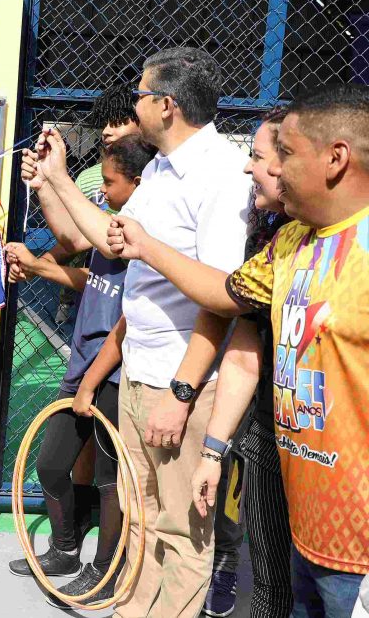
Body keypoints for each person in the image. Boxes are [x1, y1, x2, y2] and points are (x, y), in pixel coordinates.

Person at [108, 83, 369, 617]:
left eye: (285, 154)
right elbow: (226, 300)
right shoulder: (292, 241)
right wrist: (213, 451)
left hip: (358, 547)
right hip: (305, 522)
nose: (263, 170)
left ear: (336, 159)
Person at [23, 47, 252, 618]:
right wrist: (55, 178)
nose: (134, 104)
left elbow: (223, 295)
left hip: (178, 387)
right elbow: (111, 240)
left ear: (167, 105)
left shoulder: (220, 174)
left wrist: (181, 394)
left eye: (141, 95)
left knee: (182, 533)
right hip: (137, 378)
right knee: (140, 515)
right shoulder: (158, 169)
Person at [105, 107, 294, 618]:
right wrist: (214, 450)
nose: (247, 168)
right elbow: (238, 322)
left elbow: (219, 301)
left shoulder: (347, 246)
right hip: (256, 427)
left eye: (260, 156)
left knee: (194, 535)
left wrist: (184, 392)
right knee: (276, 583)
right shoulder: (280, 242)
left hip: (330, 467)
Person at [6, 134, 156, 608]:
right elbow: (84, 266)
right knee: (51, 464)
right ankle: (65, 550)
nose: (103, 191)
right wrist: (38, 262)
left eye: (110, 183)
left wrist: (93, 380)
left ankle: (104, 570)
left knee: (113, 482)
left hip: (112, 373)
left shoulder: (142, 235)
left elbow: (127, 320)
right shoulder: (106, 226)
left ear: (137, 183)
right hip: (82, 364)